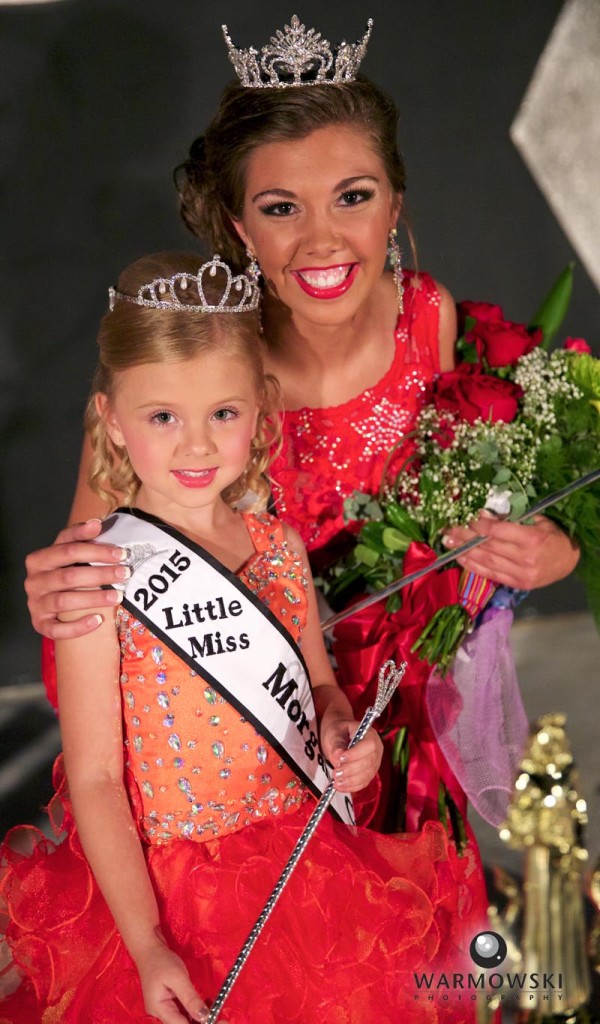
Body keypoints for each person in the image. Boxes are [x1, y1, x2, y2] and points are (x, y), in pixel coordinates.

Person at [24, 17, 578, 838]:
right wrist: (59, 591)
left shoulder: (429, 319)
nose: (323, 239)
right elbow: (91, 576)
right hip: (242, 730)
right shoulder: (192, 362)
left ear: (395, 204)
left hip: (388, 724)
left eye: (352, 197)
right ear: (242, 227)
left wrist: (545, 552)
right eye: (282, 207)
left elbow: (491, 515)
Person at [1, 251, 486, 1023]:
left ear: (260, 410)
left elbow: (321, 688)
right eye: (163, 416)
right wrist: (148, 942)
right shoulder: (95, 570)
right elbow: (94, 780)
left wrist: (339, 735)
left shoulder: (279, 548)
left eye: (223, 413)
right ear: (112, 423)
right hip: (166, 901)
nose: (197, 447)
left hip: (306, 870)